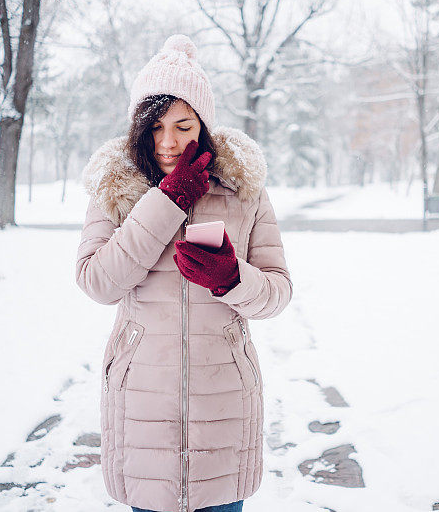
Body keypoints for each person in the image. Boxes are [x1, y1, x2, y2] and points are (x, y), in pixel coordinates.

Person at [75, 34, 293, 512]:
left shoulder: (243, 189)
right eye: (155, 126)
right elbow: (98, 282)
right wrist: (167, 201)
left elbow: (278, 293)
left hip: (224, 402)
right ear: (139, 128)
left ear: (204, 126)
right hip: (143, 403)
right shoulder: (114, 187)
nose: (169, 141)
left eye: (183, 125)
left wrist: (233, 278)